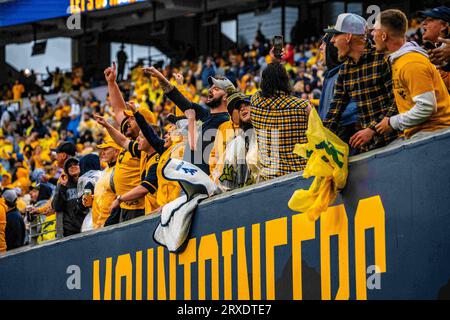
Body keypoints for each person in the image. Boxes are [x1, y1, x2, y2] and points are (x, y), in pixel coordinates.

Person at [323, 13, 398, 153]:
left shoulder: (383, 58)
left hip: (396, 143)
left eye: (335, 35)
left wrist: (372, 129)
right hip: (369, 149)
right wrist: (319, 139)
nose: (332, 41)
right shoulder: (345, 70)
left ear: (348, 36)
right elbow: (334, 112)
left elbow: (398, 101)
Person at [372, 9, 450, 138]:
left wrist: (392, 122)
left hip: (434, 134)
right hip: (428, 134)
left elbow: (426, 107)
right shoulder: (401, 60)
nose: (372, 35)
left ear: (384, 36)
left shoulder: (410, 63)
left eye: (374, 30)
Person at [144, 67, 236, 176]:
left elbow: (195, 148)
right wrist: (160, 77)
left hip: (207, 182)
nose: (210, 90)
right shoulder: (207, 114)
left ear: (226, 96)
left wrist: (191, 120)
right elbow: (178, 98)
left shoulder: (225, 121)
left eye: (216, 89)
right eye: (211, 87)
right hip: (195, 179)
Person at [250, 49, 311, 180]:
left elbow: (261, 90)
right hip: (300, 175)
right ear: (286, 80)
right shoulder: (303, 106)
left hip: (268, 177)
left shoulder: (255, 102)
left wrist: (273, 63)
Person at [103, 63, 145, 221]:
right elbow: (119, 110)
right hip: (124, 205)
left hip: (138, 207)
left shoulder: (144, 146)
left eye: (133, 119)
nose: (127, 121)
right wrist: (112, 83)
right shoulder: (130, 138)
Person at [318, 33, 358, 145]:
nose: (320, 47)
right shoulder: (329, 76)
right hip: (331, 140)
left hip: (345, 141)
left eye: (324, 44)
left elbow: (356, 107)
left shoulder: (346, 73)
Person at [90, 136, 121, 228]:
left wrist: (109, 223)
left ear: (116, 152)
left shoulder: (119, 170)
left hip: (110, 226)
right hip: (98, 226)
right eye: (102, 149)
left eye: (106, 149)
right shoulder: (106, 170)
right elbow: (106, 193)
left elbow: (120, 199)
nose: (102, 152)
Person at [52, 157, 85, 237]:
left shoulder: (87, 182)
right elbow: (56, 207)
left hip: (87, 225)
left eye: (75, 164)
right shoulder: (63, 185)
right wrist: (62, 187)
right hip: (71, 230)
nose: (73, 166)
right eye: (70, 166)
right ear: (66, 170)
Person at [419, 6, 450, 91]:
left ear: (443, 25)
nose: (423, 23)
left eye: (430, 20)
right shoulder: (436, 51)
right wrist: (444, 66)